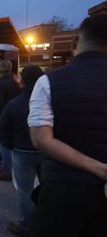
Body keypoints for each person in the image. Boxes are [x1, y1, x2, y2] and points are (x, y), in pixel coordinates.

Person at [28, 14, 107, 237]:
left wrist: (97, 167)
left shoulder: (49, 81)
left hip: (64, 192)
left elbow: (41, 139)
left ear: (75, 42)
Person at [0, 65, 44, 237]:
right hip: (47, 151)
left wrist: (12, 146)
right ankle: (46, 220)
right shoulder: (50, 100)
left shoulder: (14, 103)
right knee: (47, 187)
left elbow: (2, 131)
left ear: (22, 81)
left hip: (23, 151)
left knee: (25, 190)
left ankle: (27, 226)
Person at [0, 60, 21, 181]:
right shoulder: (14, 82)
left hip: (3, 119)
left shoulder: (1, 83)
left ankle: (6, 171)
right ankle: (8, 168)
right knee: (8, 144)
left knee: (3, 146)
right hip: (12, 117)